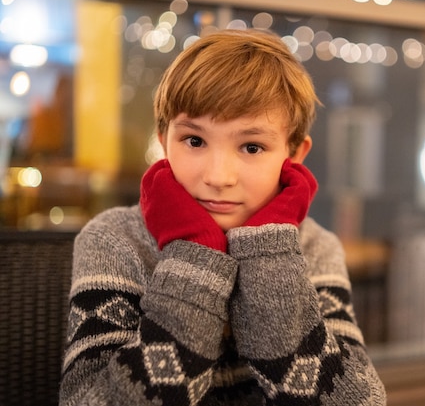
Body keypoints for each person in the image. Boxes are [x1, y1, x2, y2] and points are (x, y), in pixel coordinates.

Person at [60, 28, 386, 405]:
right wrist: (195, 253)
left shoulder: (315, 246)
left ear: (294, 155)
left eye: (252, 146)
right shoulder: (114, 239)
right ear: (164, 140)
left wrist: (268, 252)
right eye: (195, 141)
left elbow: (359, 400)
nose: (218, 177)